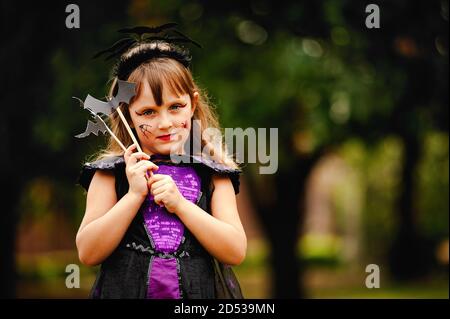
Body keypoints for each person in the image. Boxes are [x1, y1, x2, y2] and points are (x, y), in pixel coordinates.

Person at [76, 26, 247, 299]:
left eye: (175, 107)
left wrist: (180, 205)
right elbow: (88, 252)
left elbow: (235, 250)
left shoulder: (214, 173)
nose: (165, 123)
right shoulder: (110, 174)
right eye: (148, 112)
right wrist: (134, 195)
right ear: (128, 115)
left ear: (192, 104)